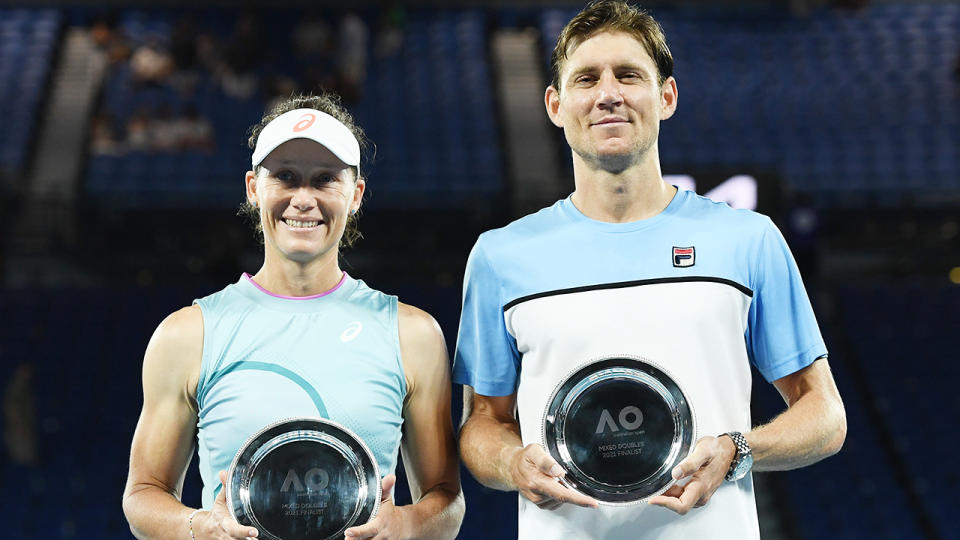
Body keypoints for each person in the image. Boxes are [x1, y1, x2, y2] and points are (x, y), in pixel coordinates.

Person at [453, 2, 847, 539]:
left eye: (629, 75)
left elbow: (824, 414)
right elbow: (481, 423)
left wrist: (739, 451)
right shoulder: (501, 255)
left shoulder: (747, 240)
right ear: (555, 104)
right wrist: (510, 464)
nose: (608, 94)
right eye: (586, 78)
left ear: (667, 97)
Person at [122, 92, 464, 540]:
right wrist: (201, 527)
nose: (303, 199)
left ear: (356, 195)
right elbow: (143, 495)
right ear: (252, 188)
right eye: (285, 177)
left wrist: (404, 524)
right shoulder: (188, 335)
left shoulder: (411, 334)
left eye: (324, 180)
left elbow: (446, 502)